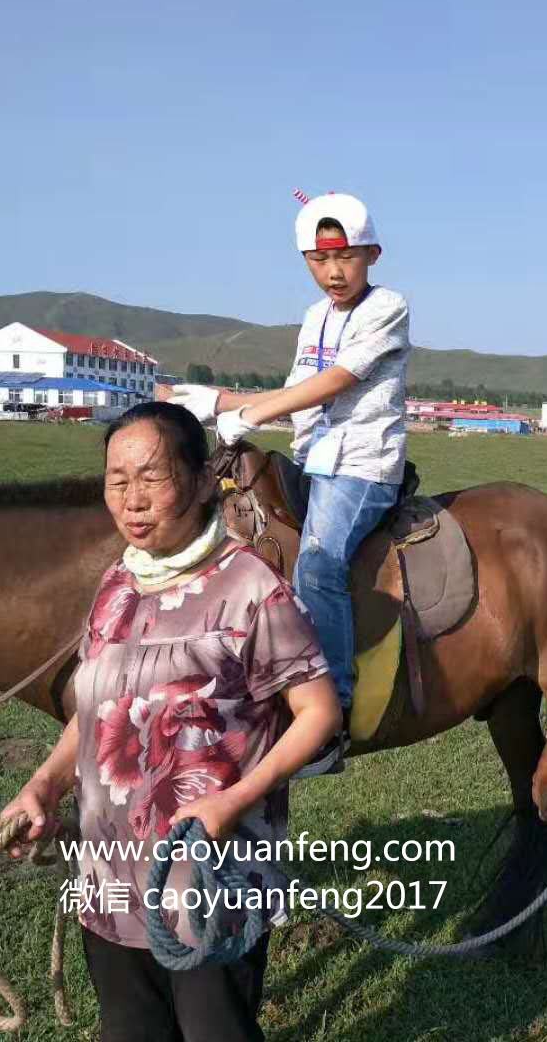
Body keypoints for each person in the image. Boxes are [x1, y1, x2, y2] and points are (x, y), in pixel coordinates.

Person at [2, 401, 341, 1042]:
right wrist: (45, 784)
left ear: (202, 481)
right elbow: (94, 707)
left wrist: (233, 800)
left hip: (211, 876)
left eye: (152, 478)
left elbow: (317, 712)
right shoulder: (116, 585)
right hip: (108, 877)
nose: (132, 499)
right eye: (116, 480)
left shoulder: (251, 587)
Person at [168, 192, 410, 729]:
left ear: (373, 254)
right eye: (319, 260)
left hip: (361, 467)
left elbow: (337, 379)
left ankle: (331, 708)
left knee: (319, 561)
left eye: (345, 257)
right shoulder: (314, 317)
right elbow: (297, 390)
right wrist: (214, 401)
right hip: (309, 460)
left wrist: (251, 416)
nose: (333, 272)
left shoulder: (387, 307)